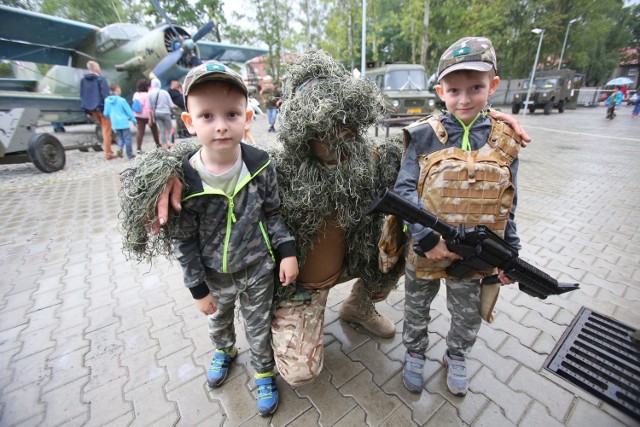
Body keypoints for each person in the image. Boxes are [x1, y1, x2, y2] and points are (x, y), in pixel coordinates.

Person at [124, 52, 531, 390]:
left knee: (396, 250)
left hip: (353, 263)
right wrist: (168, 169)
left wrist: (488, 121)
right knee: (300, 372)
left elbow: (432, 140)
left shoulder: (369, 160)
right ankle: (278, 322)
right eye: (327, 125)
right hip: (300, 282)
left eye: (346, 124)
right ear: (303, 124)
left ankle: (358, 307)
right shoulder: (275, 168)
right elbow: (221, 159)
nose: (339, 134)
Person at [393, 37, 523, 397]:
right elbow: (404, 193)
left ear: (493, 85)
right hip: (426, 249)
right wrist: (427, 238)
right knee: (417, 306)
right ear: (440, 91)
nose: (464, 99)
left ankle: (457, 354)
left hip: (476, 255)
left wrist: (510, 254)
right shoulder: (423, 136)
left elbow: (509, 202)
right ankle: (416, 351)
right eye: (454, 90)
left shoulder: (506, 141)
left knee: (466, 314)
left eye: (476, 88)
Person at [174, 61, 299, 416]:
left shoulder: (261, 165)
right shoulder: (186, 179)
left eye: (231, 114)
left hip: (258, 267)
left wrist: (286, 250)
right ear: (189, 122)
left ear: (247, 117)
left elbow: (273, 213)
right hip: (214, 273)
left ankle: (263, 371)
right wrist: (197, 288)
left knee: (258, 324)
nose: (221, 126)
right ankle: (225, 350)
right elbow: (183, 240)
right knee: (218, 318)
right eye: (207, 116)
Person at [80, 61, 115, 159]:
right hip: (102, 108)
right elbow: (106, 96)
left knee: (104, 128)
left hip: (91, 109)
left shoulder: (83, 80)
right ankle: (108, 153)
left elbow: (83, 95)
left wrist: (86, 111)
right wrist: (109, 109)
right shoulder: (101, 79)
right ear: (95, 68)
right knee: (106, 129)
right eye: (98, 67)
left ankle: (110, 147)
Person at [103, 83, 137, 159]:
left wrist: (111, 116)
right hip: (123, 122)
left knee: (120, 138)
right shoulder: (122, 100)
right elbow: (129, 111)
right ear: (117, 90)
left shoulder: (107, 101)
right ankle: (129, 154)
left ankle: (119, 148)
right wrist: (134, 120)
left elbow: (106, 113)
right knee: (127, 138)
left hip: (115, 123)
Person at [132, 79, 161, 153]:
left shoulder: (136, 94)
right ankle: (158, 145)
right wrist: (150, 119)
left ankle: (138, 148)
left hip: (138, 115)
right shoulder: (146, 95)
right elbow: (148, 108)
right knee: (155, 130)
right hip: (147, 116)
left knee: (140, 132)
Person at [148, 78, 176, 149]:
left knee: (161, 129)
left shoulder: (150, 93)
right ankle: (172, 144)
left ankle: (164, 145)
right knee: (170, 129)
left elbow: (149, 107)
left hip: (156, 114)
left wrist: (150, 119)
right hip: (166, 113)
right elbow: (171, 105)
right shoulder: (164, 92)